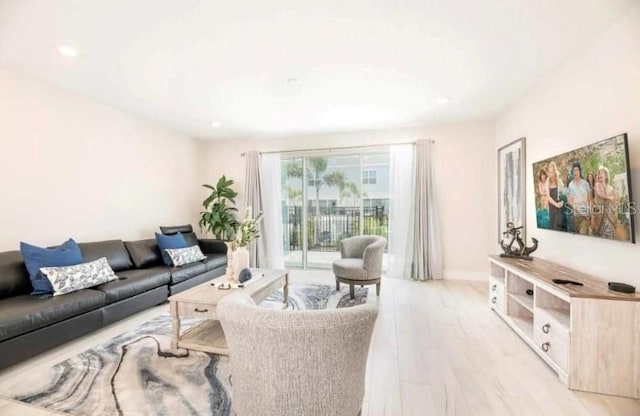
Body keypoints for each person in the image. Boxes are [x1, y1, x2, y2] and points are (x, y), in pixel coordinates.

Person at [591, 166, 617, 239]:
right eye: (599, 173)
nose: (600, 175)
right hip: (599, 216)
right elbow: (599, 195)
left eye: (602, 173)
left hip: (609, 217)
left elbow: (615, 202)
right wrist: (609, 198)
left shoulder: (611, 188)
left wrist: (614, 214)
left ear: (606, 176)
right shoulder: (597, 185)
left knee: (609, 236)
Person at [567, 162, 592, 235]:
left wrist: (591, 215)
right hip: (575, 216)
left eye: (577, 170)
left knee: (583, 234)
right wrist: (574, 206)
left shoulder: (585, 184)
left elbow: (590, 200)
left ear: (580, 171)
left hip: (585, 216)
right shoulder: (570, 185)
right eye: (574, 170)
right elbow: (569, 200)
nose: (575, 172)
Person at [546, 161, 565, 230]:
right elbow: (548, 197)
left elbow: (564, 194)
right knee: (552, 228)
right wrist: (555, 204)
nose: (551, 174)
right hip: (551, 208)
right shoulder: (547, 181)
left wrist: (561, 202)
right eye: (549, 172)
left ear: (555, 171)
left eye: (552, 172)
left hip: (559, 209)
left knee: (556, 228)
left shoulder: (559, 181)